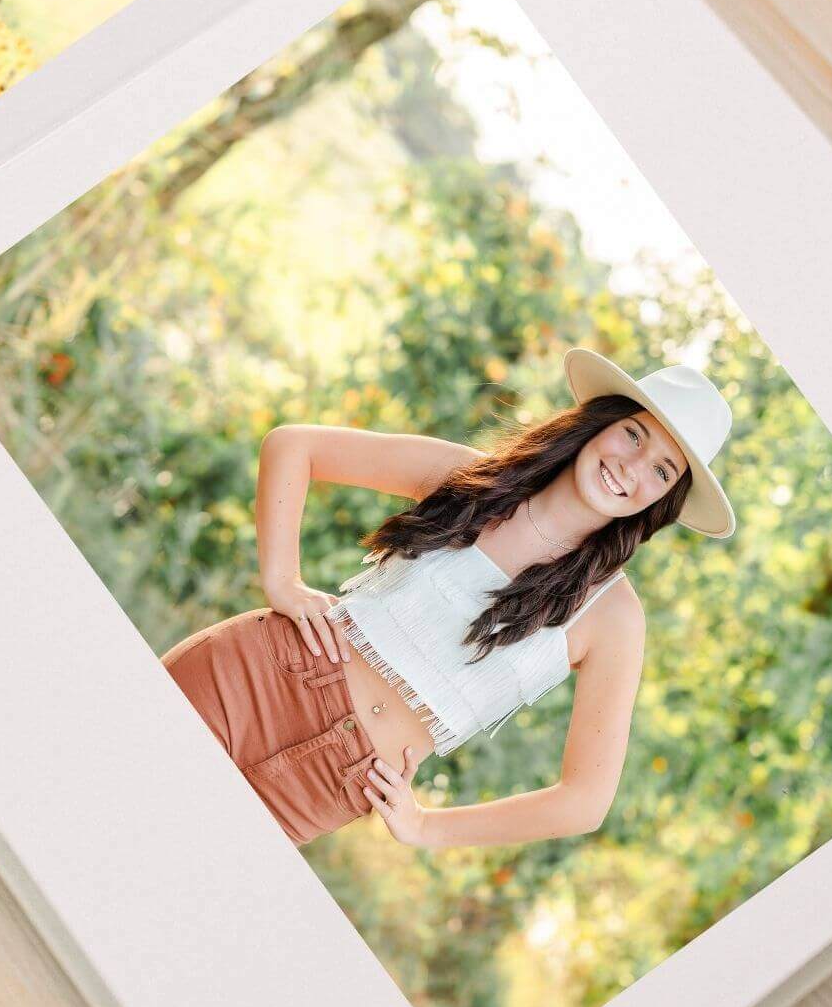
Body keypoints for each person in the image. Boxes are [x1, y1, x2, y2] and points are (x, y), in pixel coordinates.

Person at [161, 346, 736, 849]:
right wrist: (283, 580)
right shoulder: (472, 478)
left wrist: (428, 828)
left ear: (662, 500)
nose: (631, 467)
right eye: (634, 434)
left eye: (662, 470)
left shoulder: (613, 618)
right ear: (601, 423)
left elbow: (584, 802)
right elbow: (294, 447)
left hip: (330, 782)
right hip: (261, 674)